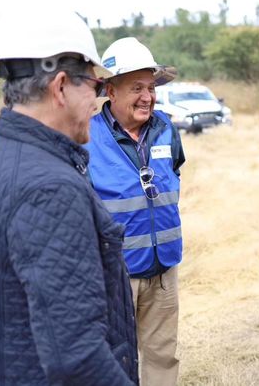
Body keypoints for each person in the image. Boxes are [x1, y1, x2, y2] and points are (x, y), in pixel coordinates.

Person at [0, 10, 138, 385]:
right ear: (60, 86)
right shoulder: (50, 188)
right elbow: (79, 357)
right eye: (95, 86)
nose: (98, 100)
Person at [84, 37, 184, 386]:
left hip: (164, 270)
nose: (148, 96)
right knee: (114, 360)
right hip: (114, 276)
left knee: (163, 355)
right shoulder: (86, 138)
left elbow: (173, 175)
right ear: (110, 91)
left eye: (151, 86)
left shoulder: (167, 129)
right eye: (136, 87)